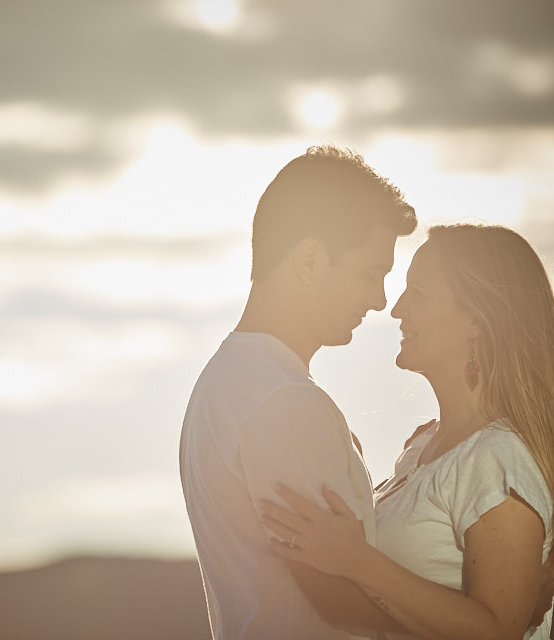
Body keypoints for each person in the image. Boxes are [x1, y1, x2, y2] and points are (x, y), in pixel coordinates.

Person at [259, 224, 554, 639]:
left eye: (419, 294)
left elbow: (497, 632)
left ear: (476, 321)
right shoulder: (422, 448)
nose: (397, 309)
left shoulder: (497, 457)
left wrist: (357, 561)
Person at [179, 145, 418, 639]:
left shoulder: (223, 383)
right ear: (309, 260)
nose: (379, 300)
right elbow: (338, 600)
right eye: (369, 274)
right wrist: (482, 622)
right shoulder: (283, 401)